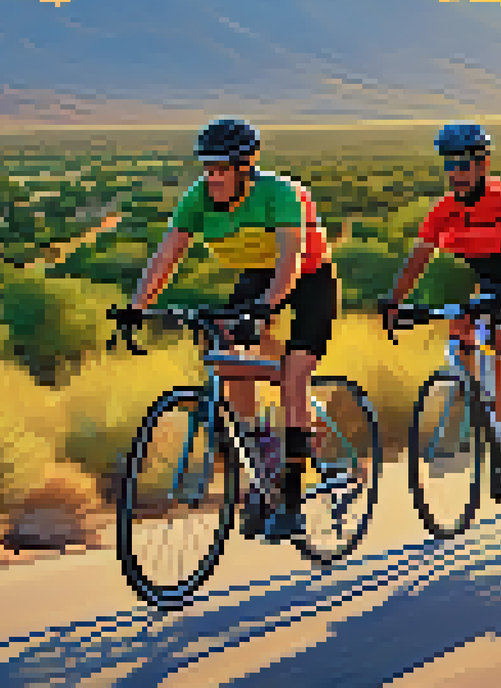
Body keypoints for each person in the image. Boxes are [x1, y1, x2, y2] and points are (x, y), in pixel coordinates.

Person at [118, 118, 338, 541]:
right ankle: (260, 450)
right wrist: (136, 308)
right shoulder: (197, 199)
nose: (212, 176)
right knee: (226, 352)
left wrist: (264, 311)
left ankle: (293, 502)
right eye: (207, 167)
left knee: (292, 377)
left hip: (309, 280)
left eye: (221, 168)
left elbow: (290, 262)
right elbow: (166, 258)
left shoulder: (279, 193)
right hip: (255, 277)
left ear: (244, 167)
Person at [382, 121, 501, 497]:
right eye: (449, 165)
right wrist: (395, 302)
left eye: (463, 164)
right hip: (484, 285)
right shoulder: (443, 209)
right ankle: (488, 421)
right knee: (462, 347)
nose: (455, 173)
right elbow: (417, 261)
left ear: (483, 165)